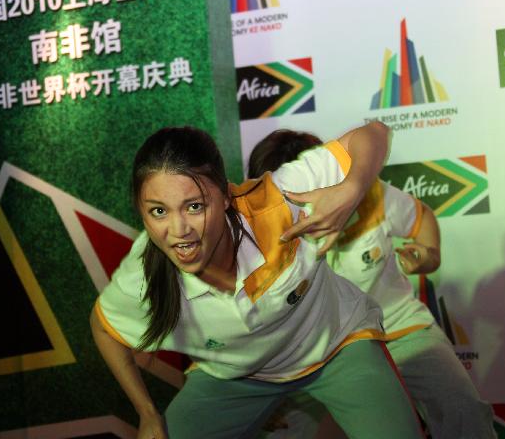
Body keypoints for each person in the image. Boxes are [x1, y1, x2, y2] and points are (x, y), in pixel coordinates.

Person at [91, 122, 425, 439]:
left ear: (225, 196)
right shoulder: (144, 273)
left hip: (336, 345)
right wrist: (147, 412)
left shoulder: (281, 200)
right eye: (159, 211)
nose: (179, 231)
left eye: (194, 206)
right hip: (238, 377)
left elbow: (374, 134)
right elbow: (104, 328)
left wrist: (352, 187)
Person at [248, 129, 496, 439]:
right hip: (314, 355)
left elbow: (423, 219)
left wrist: (427, 255)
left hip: (398, 330)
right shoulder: (254, 235)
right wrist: (253, 391)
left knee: (463, 412)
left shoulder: (371, 195)